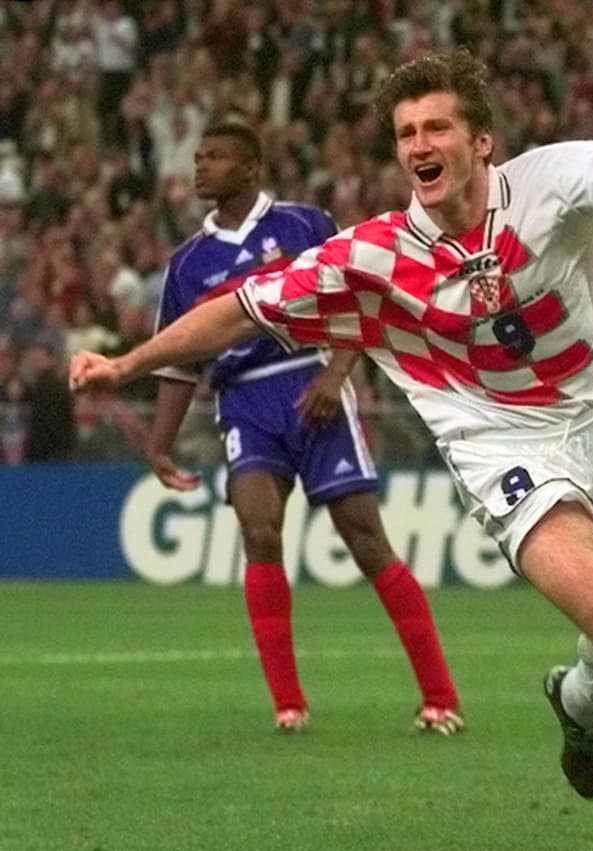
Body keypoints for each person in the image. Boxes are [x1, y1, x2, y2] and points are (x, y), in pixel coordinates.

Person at [69, 49, 593, 851]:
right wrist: (126, 364)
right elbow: (235, 312)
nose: (419, 146)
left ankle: (578, 702)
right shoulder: (375, 255)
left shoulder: (561, 183)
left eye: (437, 128)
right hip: (500, 447)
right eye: (406, 134)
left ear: (482, 141)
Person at [145, 122, 462, 735]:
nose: (200, 166)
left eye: (216, 157)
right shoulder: (187, 263)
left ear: (250, 168)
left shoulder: (302, 225)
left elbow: (359, 297)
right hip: (243, 400)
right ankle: (288, 707)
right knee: (259, 531)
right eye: (199, 157)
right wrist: (159, 445)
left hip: (310, 379)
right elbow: (179, 361)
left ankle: (440, 697)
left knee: (364, 539)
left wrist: (336, 375)